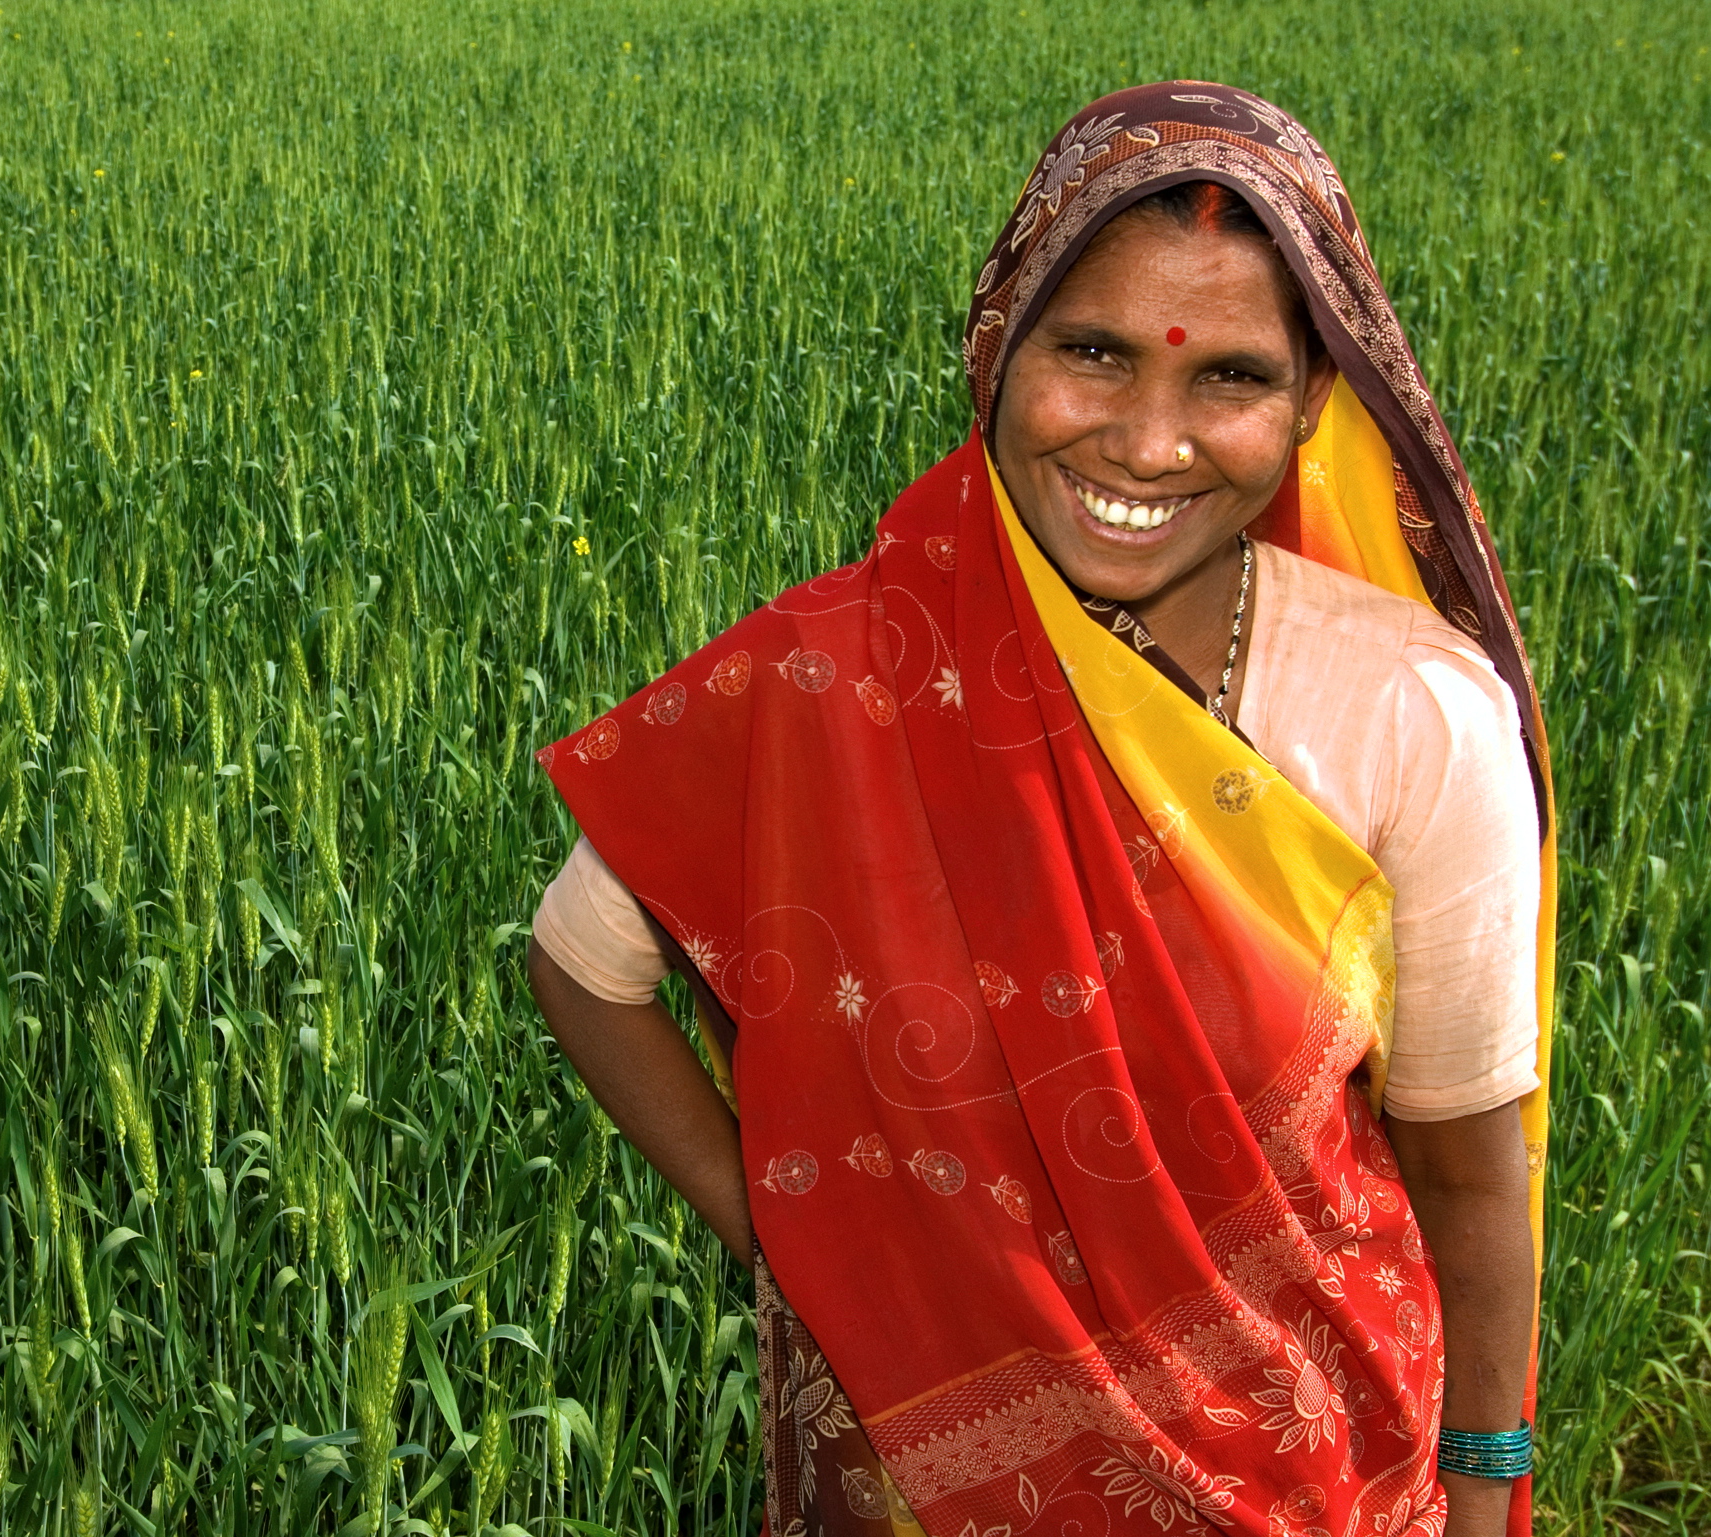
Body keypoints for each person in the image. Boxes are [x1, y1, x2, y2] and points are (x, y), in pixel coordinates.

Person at [528, 84, 1550, 1537]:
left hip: (1311, 1479)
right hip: (923, 1478)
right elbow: (581, 963)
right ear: (999, 344)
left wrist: (1491, 1478)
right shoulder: (842, 675)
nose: (1147, 439)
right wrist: (800, 1229)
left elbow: (1466, 1160)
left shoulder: (1412, 711)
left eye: (1230, 378)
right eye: (1093, 353)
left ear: (1314, 399)